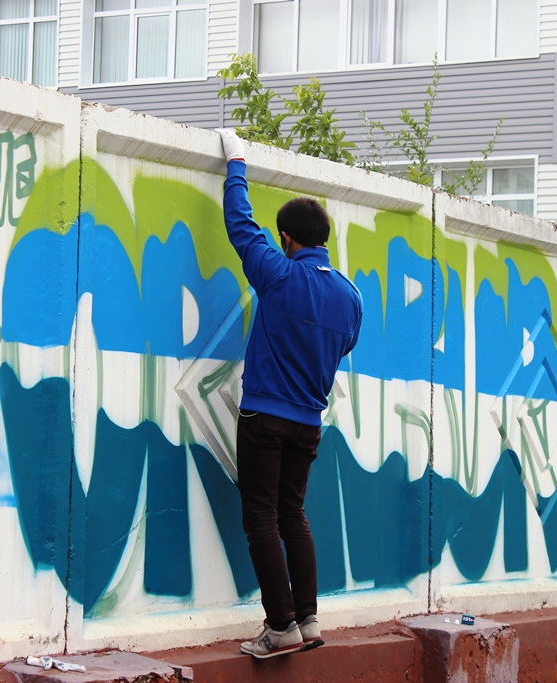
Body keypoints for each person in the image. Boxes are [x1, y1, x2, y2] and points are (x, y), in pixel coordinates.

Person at [217, 129, 364, 659]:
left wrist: (237, 163)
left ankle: (279, 627)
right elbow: (345, 344)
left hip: (263, 416)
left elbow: (241, 226)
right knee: (293, 515)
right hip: (308, 423)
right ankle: (307, 619)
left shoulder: (278, 276)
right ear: (323, 238)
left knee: (260, 517)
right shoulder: (350, 296)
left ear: (286, 238)